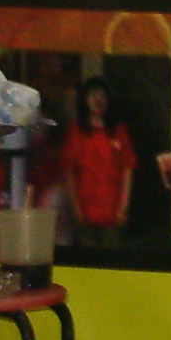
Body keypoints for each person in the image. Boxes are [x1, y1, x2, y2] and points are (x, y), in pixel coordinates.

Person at [61, 77, 136, 245]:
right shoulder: (76, 132)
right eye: (93, 95)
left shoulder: (118, 131)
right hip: (85, 210)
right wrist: (76, 208)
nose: (98, 100)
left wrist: (123, 207)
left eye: (102, 95)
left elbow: (128, 169)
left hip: (113, 211)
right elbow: (69, 172)